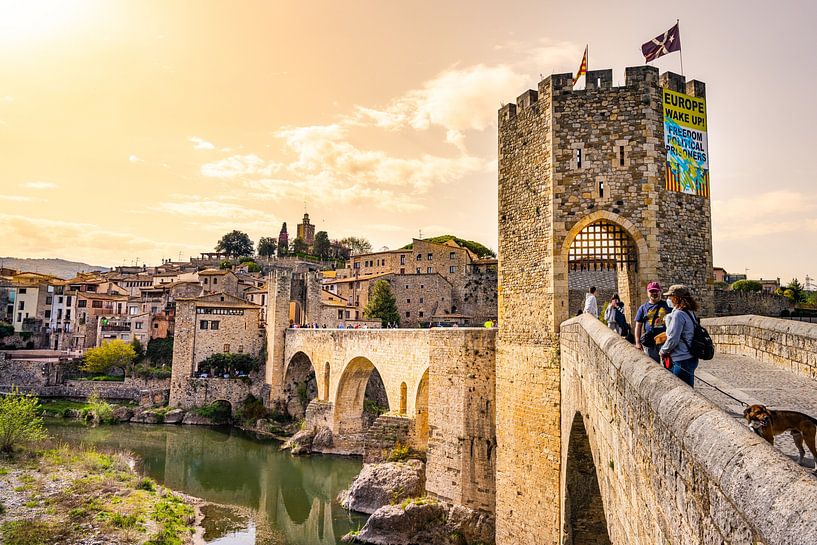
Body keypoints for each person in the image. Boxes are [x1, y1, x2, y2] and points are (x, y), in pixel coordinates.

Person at [660, 285, 700, 386]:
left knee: (682, 389)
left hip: (681, 358)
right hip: (691, 356)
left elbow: (673, 338)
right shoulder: (690, 312)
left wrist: (663, 350)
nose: (668, 299)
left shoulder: (678, 314)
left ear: (676, 298)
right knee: (689, 387)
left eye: (670, 297)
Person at [634, 281, 671, 363]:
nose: (654, 293)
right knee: (653, 365)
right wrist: (637, 342)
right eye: (651, 291)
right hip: (650, 342)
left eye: (656, 291)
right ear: (647, 292)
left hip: (664, 341)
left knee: (668, 368)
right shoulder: (643, 308)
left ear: (660, 292)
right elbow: (638, 326)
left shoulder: (667, 306)